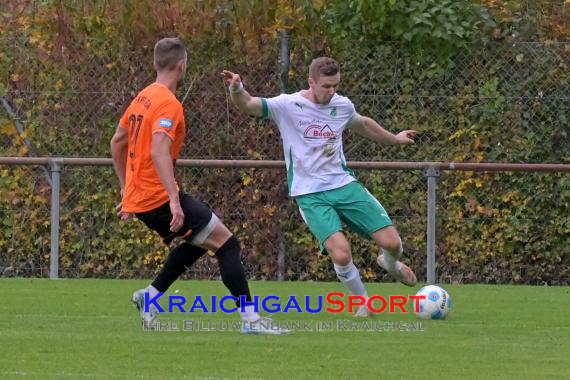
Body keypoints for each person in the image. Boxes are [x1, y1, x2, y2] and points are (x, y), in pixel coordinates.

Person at [111, 37, 287, 334]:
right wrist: (174, 200)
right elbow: (158, 151)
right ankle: (251, 321)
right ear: (182, 66)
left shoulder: (143, 97)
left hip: (144, 198)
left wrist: (126, 188)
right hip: (158, 199)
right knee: (228, 244)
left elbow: (117, 140)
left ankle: (150, 297)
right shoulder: (168, 104)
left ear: (156, 63)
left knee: (200, 243)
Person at [222, 57, 418, 317]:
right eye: (326, 86)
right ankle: (364, 304)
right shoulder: (288, 105)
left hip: (343, 184)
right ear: (311, 82)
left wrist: (395, 138)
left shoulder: (342, 105)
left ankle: (390, 263)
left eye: (336, 85)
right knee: (341, 253)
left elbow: (363, 124)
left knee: (392, 243)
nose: (332, 91)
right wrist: (237, 89)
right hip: (310, 193)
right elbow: (248, 104)